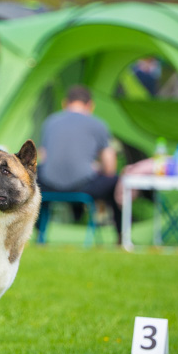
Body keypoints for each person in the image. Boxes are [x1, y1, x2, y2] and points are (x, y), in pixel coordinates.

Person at [37, 84, 122, 239]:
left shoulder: (50, 122)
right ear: (90, 105)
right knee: (115, 181)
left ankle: (39, 232)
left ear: (65, 103)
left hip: (49, 187)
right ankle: (121, 235)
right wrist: (96, 167)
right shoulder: (98, 124)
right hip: (83, 188)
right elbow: (110, 168)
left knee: (36, 178)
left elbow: (43, 157)